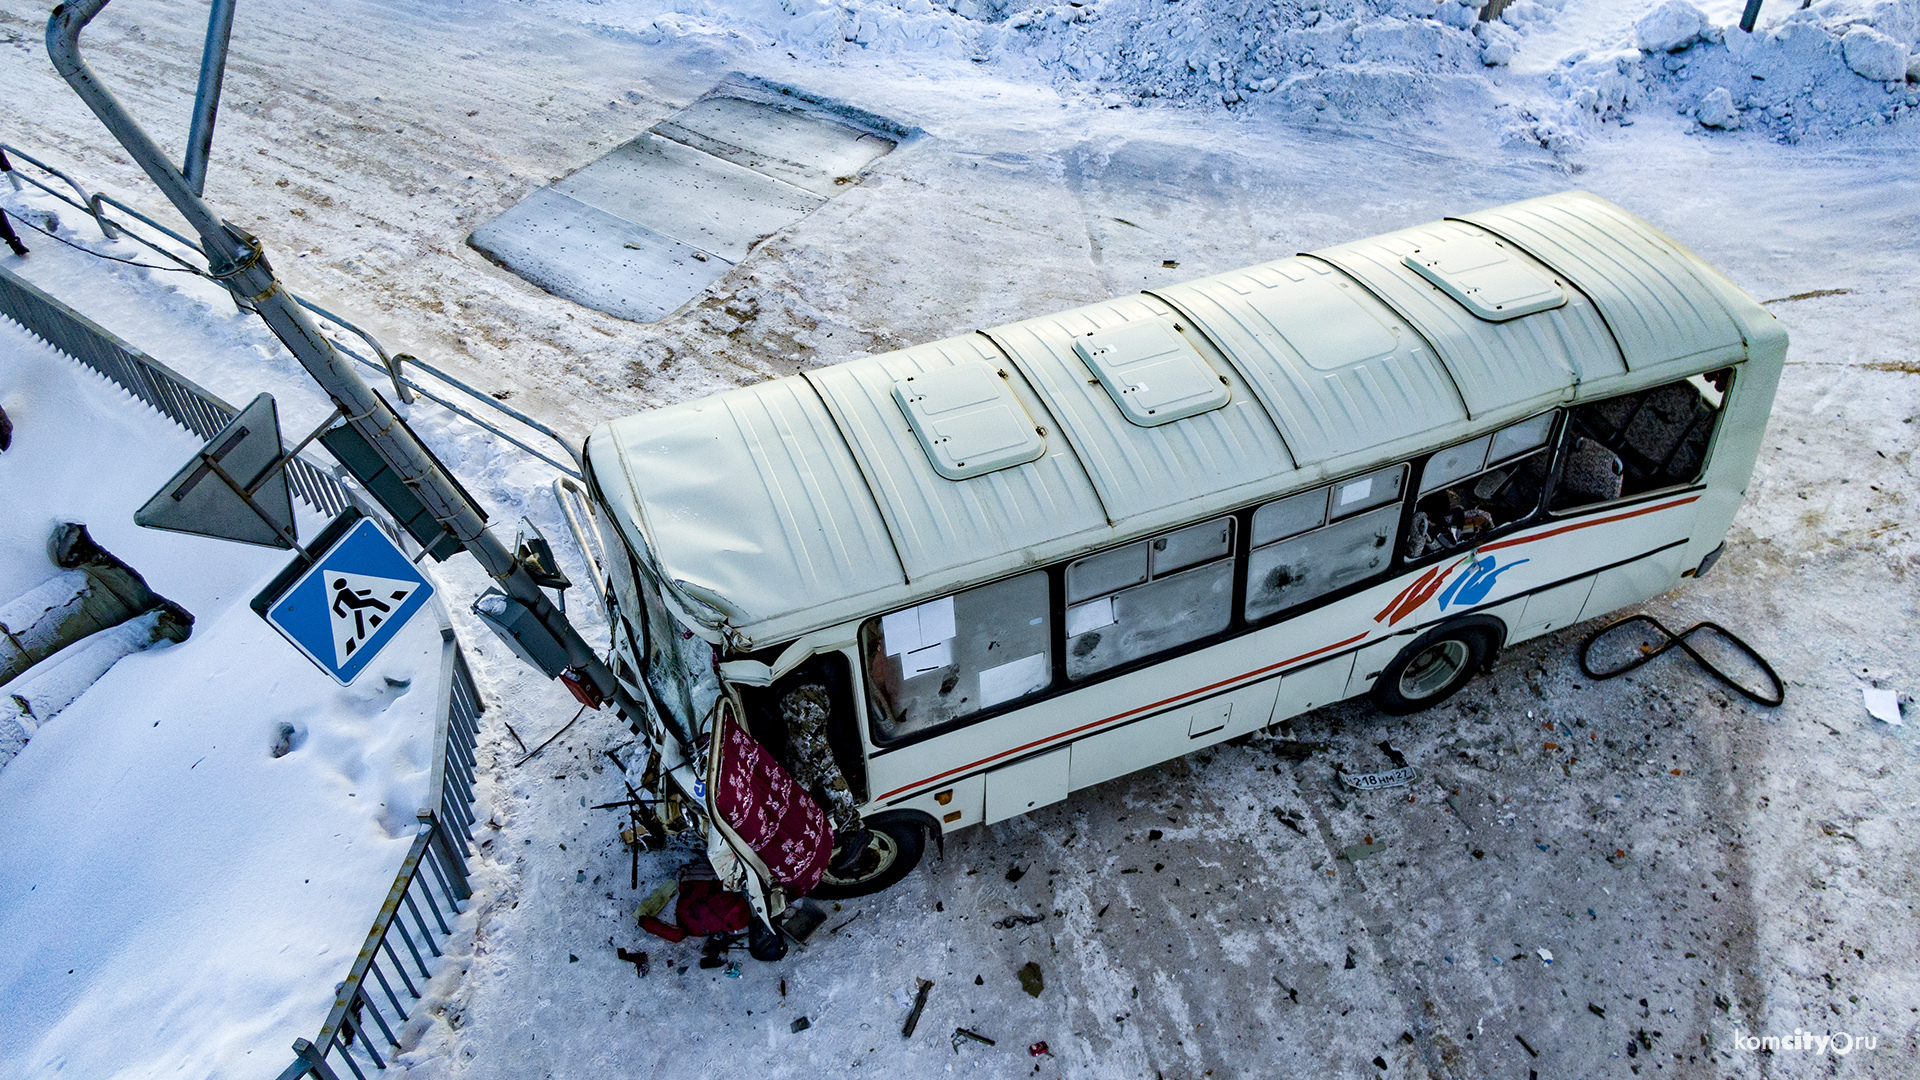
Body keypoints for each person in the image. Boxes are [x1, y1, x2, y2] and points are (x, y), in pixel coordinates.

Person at [777, 682, 870, 876]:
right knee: (800, 767)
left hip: (800, 699)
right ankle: (800, 830)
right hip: (803, 696)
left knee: (824, 768)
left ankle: (853, 829)